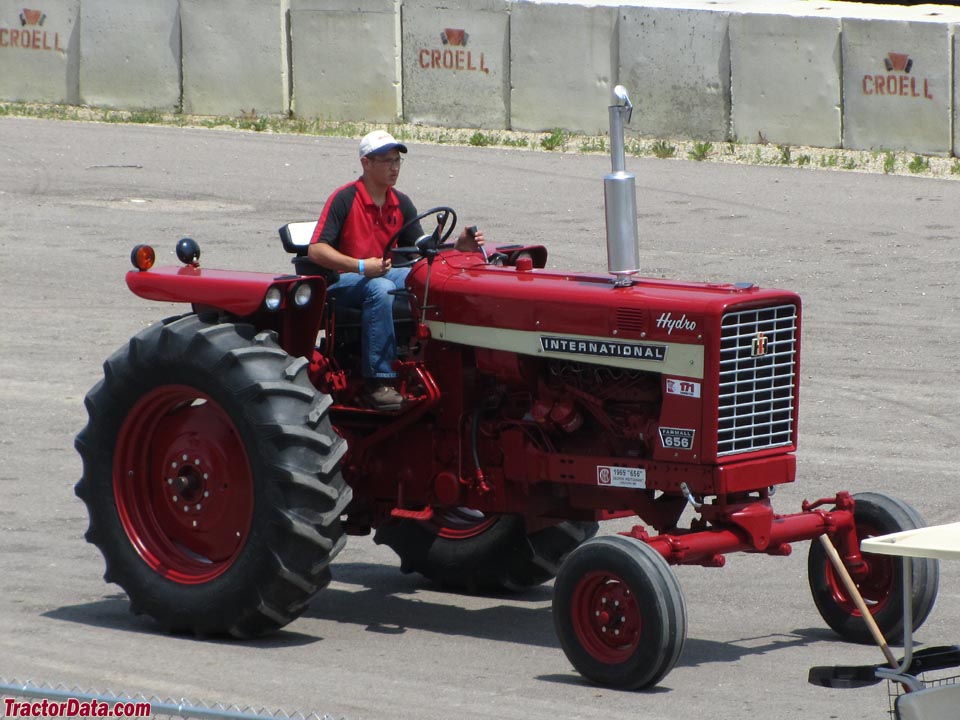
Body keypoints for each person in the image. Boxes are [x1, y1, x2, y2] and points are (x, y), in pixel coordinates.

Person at [308, 130, 484, 411]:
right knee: (381, 288)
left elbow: (419, 250)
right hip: (345, 282)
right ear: (366, 163)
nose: (394, 167)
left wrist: (458, 248)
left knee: (429, 279)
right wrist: (362, 266)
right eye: (387, 161)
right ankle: (378, 382)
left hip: (385, 273)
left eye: (397, 160)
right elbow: (316, 250)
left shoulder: (400, 201)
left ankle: (447, 362)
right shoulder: (344, 199)